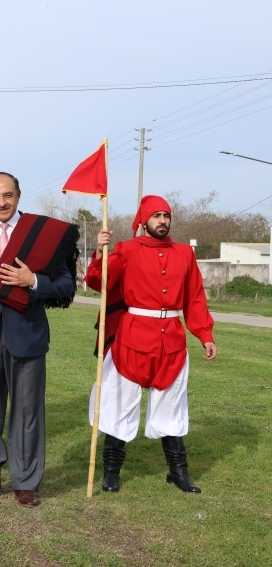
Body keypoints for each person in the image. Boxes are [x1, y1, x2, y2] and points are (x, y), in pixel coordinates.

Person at [0, 172, 77, 507]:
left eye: (8, 195)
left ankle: (25, 482)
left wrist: (32, 279)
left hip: (28, 334)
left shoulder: (41, 234)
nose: (2, 202)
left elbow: (66, 285)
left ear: (19, 195)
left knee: (27, 410)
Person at [85, 195, 216, 494]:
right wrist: (100, 251)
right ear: (143, 220)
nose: (162, 221)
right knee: (120, 403)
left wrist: (205, 335)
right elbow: (99, 281)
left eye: (166, 215)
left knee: (172, 405)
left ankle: (178, 472)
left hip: (171, 339)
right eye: (156, 216)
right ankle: (111, 473)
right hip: (131, 339)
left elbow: (195, 298)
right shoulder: (127, 249)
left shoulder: (185, 253)